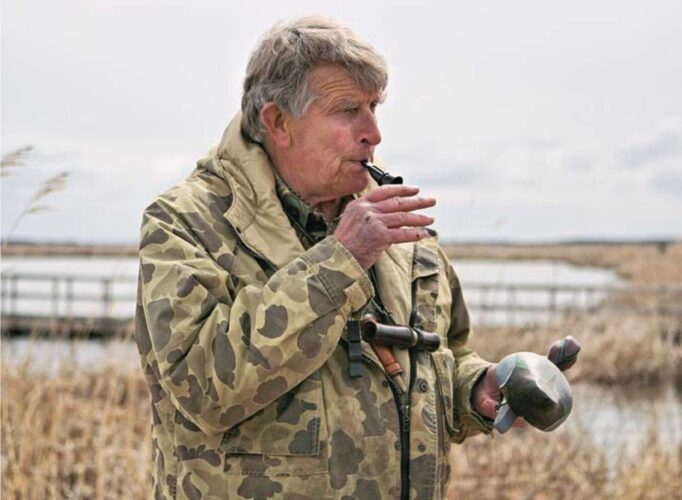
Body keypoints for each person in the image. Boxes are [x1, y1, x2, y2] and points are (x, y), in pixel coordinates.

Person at [135, 15, 503, 499]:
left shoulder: (395, 222)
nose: (373, 132)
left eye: (374, 107)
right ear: (278, 122)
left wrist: (480, 389)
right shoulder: (185, 222)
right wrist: (341, 259)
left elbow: (441, 358)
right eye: (348, 109)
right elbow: (201, 388)